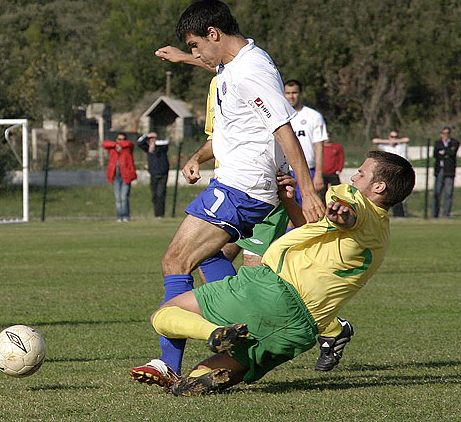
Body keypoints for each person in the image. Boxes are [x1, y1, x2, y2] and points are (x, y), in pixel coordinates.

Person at [129, 0, 324, 387]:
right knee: (209, 258)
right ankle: (239, 332)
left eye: (196, 45)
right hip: (239, 186)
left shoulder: (251, 72)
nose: (195, 52)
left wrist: (308, 188)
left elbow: (283, 129)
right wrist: (186, 59)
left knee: (175, 261)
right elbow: (215, 65)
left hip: (242, 187)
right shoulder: (239, 62)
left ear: (213, 33)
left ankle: (170, 364)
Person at [150, 151, 415, 396]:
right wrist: (289, 200)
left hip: (272, 290)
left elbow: (348, 211)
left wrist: (342, 213)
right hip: (299, 329)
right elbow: (319, 229)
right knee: (214, 371)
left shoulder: (355, 203)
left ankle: (213, 332)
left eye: (361, 174)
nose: (354, 176)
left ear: (379, 187)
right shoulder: (380, 234)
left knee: (164, 315)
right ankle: (207, 374)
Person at [284, 79, 328, 201]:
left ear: (301, 93)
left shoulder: (313, 116)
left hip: (308, 171)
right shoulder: (279, 116)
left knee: (310, 210)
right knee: (288, 214)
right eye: (288, 93)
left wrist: (318, 174)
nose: (291, 96)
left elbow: (319, 147)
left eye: (294, 93)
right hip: (286, 171)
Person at [372, 130, 410, 217]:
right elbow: (375, 140)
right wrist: (389, 141)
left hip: (401, 172)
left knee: (402, 195)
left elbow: (407, 139)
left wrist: (396, 141)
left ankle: (402, 214)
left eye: (395, 137)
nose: (394, 139)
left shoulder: (402, 146)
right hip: (389, 174)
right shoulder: (385, 146)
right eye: (392, 137)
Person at [102, 133, 136, 222]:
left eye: (122, 139)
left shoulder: (128, 149)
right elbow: (104, 143)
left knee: (124, 197)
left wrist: (121, 145)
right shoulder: (113, 149)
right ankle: (119, 216)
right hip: (116, 177)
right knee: (118, 198)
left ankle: (126, 216)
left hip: (126, 177)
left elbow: (130, 144)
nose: (120, 141)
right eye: (119, 139)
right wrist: (116, 145)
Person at [137, 132, 170, 218]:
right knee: (155, 196)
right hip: (153, 175)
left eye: (153, 139)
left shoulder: (162, 148)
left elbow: (166, 142)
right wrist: (147, 136)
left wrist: (155, 142)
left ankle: (160, 214)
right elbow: (139, 143)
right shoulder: (148, 149)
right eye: (150, 139)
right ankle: (157, 214)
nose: (152, 141)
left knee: (160, 194)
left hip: (163, 175)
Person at [433, 126, 459, 218]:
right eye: (444, 133)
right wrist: (446, 153)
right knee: (437, 193)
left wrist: (443, 152)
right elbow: (435, 154)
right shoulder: (438, 143)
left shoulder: (454, 142)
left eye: (447, 133)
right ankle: (434, 214)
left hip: (449, 171)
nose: (445, 135)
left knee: (448, 193)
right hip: (439, 169)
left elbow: (452, 153)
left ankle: (446, 214)